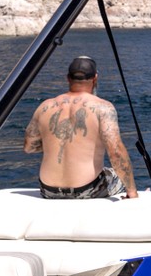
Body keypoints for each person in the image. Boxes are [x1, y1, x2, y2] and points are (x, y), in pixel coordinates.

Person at [24, 56, 139, 199]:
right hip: (86, 190)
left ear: (68, 78)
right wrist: (132, 191)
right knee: (117, 175)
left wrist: (52, 142)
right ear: (95, 78)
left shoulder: (45, 106)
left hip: (48, 191)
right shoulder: (103, 107)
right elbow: (115, 151)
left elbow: (29, 147)